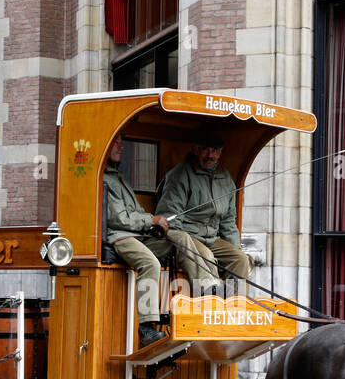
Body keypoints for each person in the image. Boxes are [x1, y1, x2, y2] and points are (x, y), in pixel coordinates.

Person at [104, 138, 216, 348]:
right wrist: (151, 220)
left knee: (180, 238)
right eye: (115, 143)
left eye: (121, 142)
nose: (121, 146)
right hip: (119, 236)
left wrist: (154, 224)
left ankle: (207, 294)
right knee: (150, 263)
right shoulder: (105, 178)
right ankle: (147, 329)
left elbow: (134, 212)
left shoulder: (118, 177)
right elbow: (119, 219)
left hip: (138, 234)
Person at [155, 127, 253, 297]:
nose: (210, 155)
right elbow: (169, 216)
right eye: (205, 150)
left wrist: (235, 248)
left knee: (240, 259)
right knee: (207, 256)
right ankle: (210, 308)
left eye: (215, 150)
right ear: (195, 150)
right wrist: (185, 242)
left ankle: (233, 308)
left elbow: (228, 222)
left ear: (221, 153)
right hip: (188, 236)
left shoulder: (226, 178)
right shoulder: (179, 175)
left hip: (213, 238)